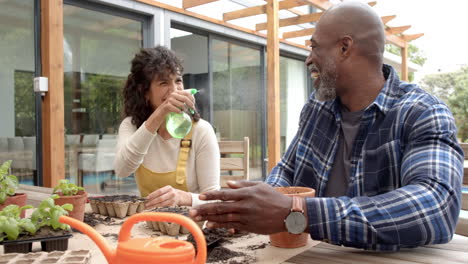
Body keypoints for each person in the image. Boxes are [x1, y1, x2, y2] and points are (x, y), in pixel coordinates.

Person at [189, 1, 464, 251]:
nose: (308, 59)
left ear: (345, 48)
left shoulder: (422, 112)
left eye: (314, 47)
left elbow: (436, 207)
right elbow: (288, 170)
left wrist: (297, 212)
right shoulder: (317, 107)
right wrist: (253, 206)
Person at [114, 46, 220, 208]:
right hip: (147, 224)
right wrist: (159, 114)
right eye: (164, 82)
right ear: (144, 92)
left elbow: (214, 199)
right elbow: (122, 170)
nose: (174, 90)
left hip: (190, 226)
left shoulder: (201, 130)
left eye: (178, 80)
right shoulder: (131, 126)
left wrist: (184, 198)